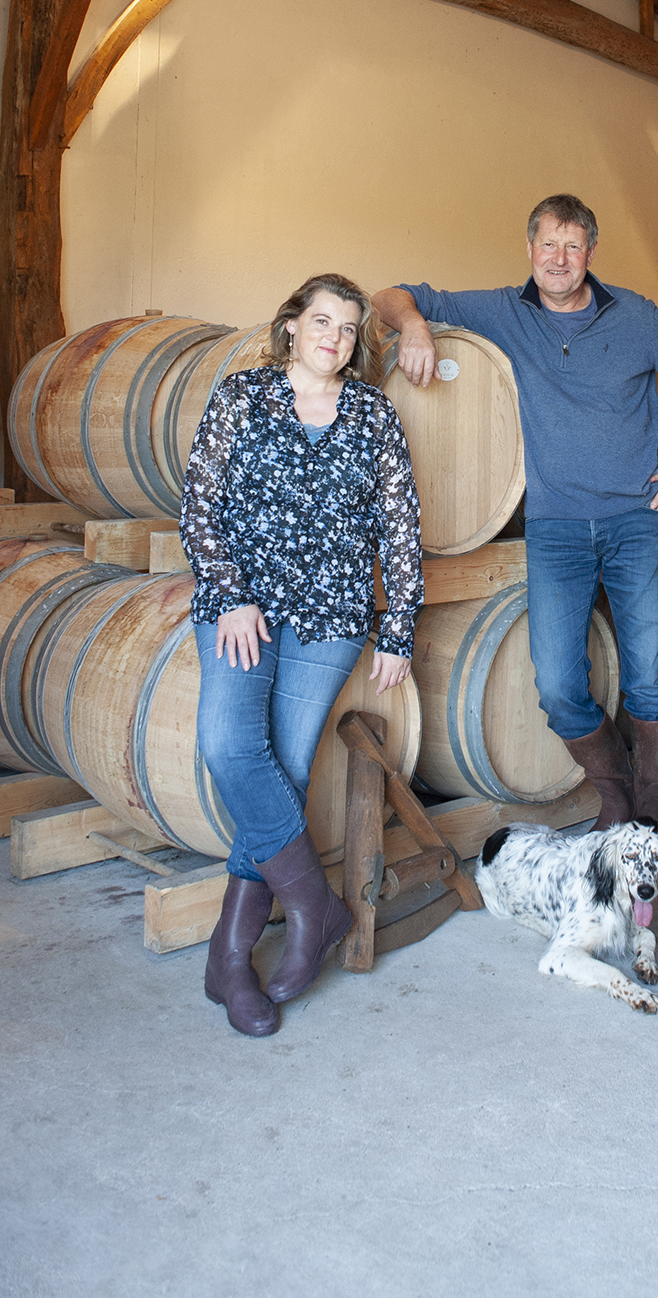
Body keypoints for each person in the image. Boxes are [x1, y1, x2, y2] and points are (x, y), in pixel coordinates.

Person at [373, 193, 658, 831]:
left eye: (573, 246)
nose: (559, 259)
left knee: (648, 683)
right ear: (530, 249)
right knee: (559, 687)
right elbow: (390, 297)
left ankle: (651, 829)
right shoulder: (504, 312)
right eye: (548, 244)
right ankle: (617, 796)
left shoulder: (634, 316)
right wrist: (415, 326)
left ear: (591, 251)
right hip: (556, 528)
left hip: (638, 523)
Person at [180, 273, 423, 1037]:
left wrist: (398, 626)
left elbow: (399, 524)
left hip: (332, 615)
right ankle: (315, 907)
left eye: (348, 329)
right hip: (241, 610)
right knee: (228, 747)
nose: (334, 338)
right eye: (322, 322)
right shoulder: (242, 396)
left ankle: (228, 959)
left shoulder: (372, 413)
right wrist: (229, 591)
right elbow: (199, 503)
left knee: (283, 771)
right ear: (291, 325)